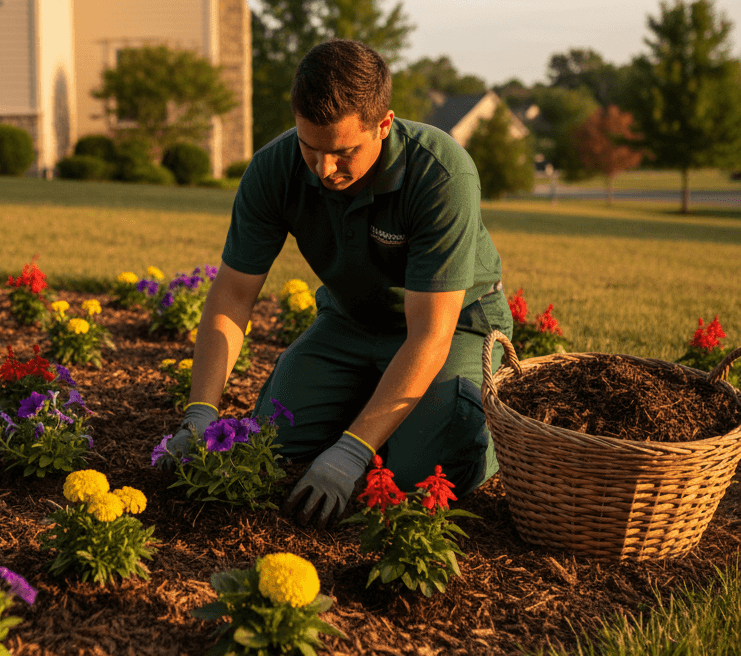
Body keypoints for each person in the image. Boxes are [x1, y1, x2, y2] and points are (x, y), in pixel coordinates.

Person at [154, 39, 513, 528]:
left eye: (343, 152)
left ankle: (458, 427)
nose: (324, 169)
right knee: (269, 443)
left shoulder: (440, 173)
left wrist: (354, 448)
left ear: (384, 125)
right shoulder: (274, 168)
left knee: (415, 474)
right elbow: (232, 296)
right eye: (310, 147)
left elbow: (430, 335)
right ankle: (378, 409)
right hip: (352, 321)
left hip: (454, 327)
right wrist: (199, 413)